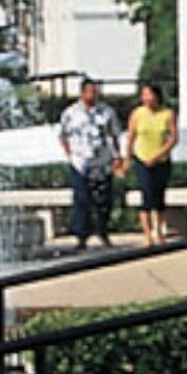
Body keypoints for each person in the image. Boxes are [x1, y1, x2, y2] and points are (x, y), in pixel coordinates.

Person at [57, 79, 121, 252]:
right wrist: (70, 154)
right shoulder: (70, 113)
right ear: (82, 93)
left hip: (102, 162)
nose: (93, 95)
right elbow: (62, 136)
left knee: (103, 200)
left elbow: (114, 135)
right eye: (90, 91)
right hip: (80, 162)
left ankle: (103, 232)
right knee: (82, 199)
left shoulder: (106, 112)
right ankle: (81, 236)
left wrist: (116, 157)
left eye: (96, 91)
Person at [126, 80, 179, 248]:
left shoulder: (167, 114)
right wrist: (127, 158)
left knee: (159, 197)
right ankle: (147, 234)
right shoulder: (137, 114)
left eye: (150, 95)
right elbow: (131, 138)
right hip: (142, 159)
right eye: (144, 95)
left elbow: (173, 138)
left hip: (161, 160)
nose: (147, 99)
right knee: (146, 196)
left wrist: (159, 155)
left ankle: (159, 231)